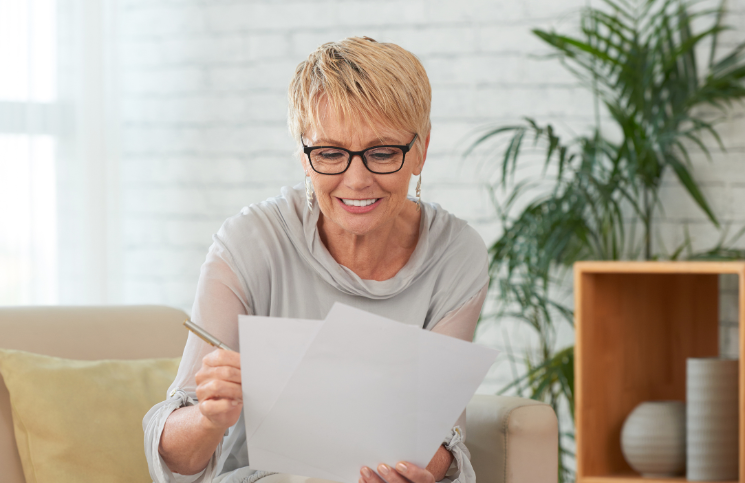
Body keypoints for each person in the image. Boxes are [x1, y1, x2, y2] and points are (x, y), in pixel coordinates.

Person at [143, 36, 489, 483]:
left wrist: (417, 469)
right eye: (330, 154)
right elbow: (176, 462)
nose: (357, 180)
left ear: (419, 151)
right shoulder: (249, 242)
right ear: (304, 158)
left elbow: (442, 435)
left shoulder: (456, 254)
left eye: (382, 153)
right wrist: (210, 417)